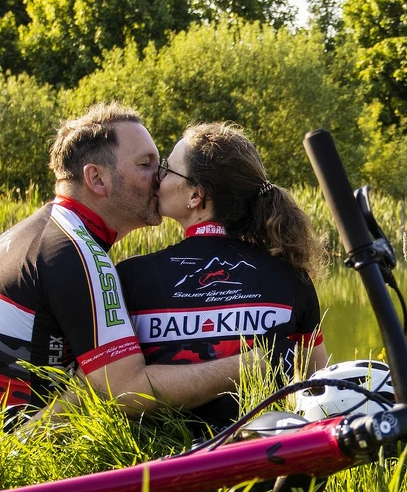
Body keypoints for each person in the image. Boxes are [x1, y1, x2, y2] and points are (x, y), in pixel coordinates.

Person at [0, 103, 247, 418]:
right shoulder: (75, 252)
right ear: (97, 179)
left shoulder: (40, 232)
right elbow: (127, 391)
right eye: (145, 164)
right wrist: (251, 364)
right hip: (27, 448)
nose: (160, 175)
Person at [117, 122, 328, 431]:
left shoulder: (131, 277)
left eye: (168, 170)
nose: (158, 179)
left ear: (196, 195)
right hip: (263, 457)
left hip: (157, 465)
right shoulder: (291, 276)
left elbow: (110, 389)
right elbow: (320, 388)